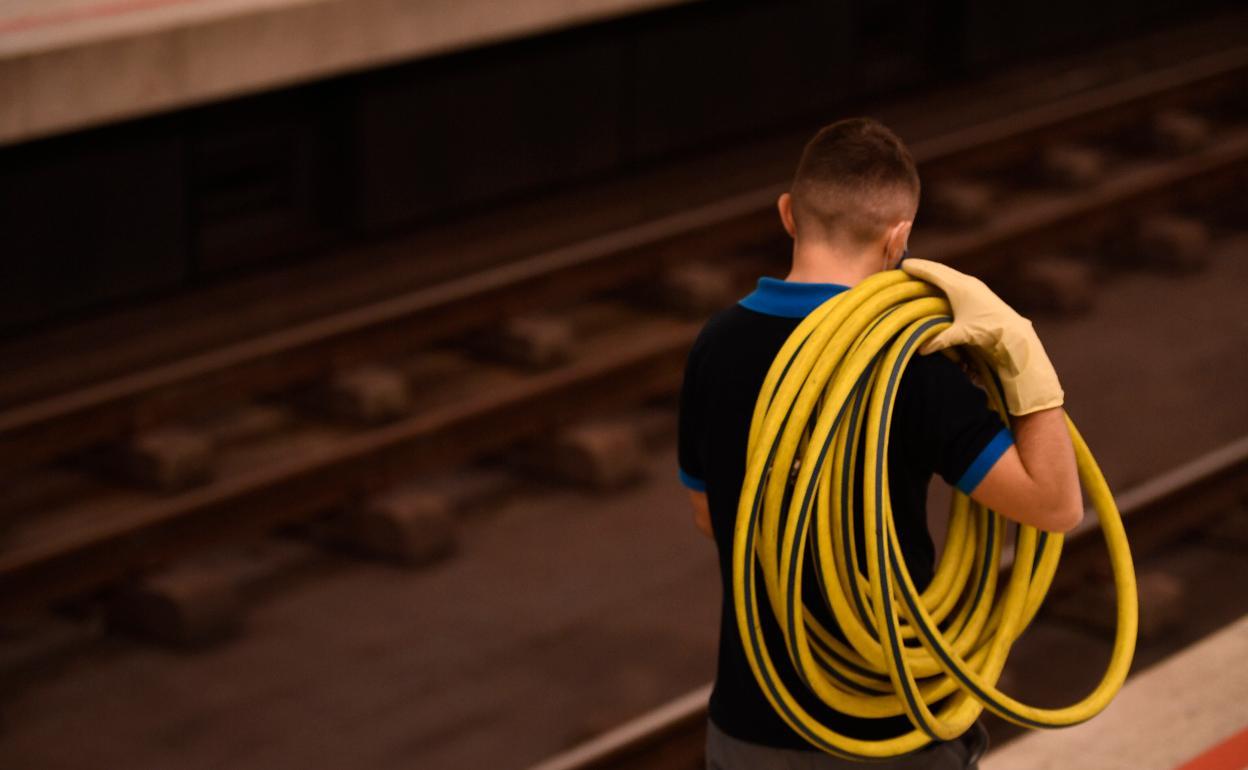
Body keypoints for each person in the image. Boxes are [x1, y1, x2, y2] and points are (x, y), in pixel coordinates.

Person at [676, 117, 1083, 770]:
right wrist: (1021, 351)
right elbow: (1057, 507)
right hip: (889, 734)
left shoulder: (716, 346)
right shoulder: (915, 364)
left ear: (787, 214)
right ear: (900, 237)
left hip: (749, 727)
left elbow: (709, 514)